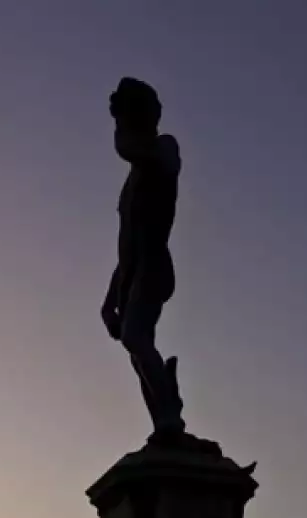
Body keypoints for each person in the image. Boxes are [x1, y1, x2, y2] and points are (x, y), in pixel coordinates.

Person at [102, 77, 185, 437]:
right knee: (137, 350)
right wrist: (109, 301)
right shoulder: (131, 181)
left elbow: (144, 156)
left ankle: (170, 419)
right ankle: (165, 418)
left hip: (154, 265)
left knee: (135, 337)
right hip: (133, 270)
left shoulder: (164, 148)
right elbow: (126, 246)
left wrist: (122, 136)